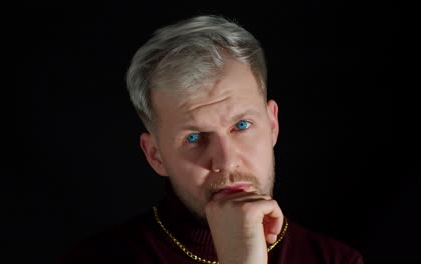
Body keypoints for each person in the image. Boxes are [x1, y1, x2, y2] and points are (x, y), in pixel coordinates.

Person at [60, 15, 364, 263]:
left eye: (242, 125)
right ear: (155, 155)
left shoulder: (335, 260)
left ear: (272, 125)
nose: (227, 160)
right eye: (194, 137)